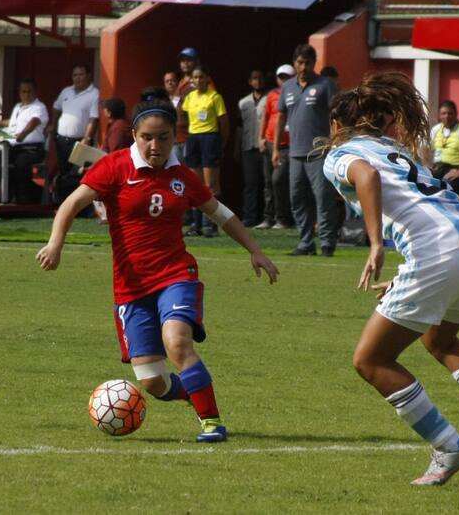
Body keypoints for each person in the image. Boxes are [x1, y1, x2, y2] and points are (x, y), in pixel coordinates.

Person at [324, 72, 459, 486]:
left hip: (437, 253)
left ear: (335, 126)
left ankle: (449, 446)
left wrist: (375, 244)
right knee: (439, 340)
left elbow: (366, 177)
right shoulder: (394, 148)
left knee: (370, 360)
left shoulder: (341, 154)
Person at [35, 98, 279, 443]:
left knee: (177, 343)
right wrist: (55, 244)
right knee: (152, 381)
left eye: (163, 137)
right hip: (131, 288)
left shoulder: (182, 177)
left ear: (173, 138)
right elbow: (71, 204)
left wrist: (256, 251)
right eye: (147, 137)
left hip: (175, 275)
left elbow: (221, 214)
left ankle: (211, 422)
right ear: (134, 134)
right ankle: (196, 392)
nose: (155, 145)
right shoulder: (115, 167)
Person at [274, 44, 339, 257]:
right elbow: (280, 118)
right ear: (294, 63)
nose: (303, 67)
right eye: (299, 63)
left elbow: (336, 114)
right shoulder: (288, 87)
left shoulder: (325, 85)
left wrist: (336, 142)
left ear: (314, 63)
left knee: (322, 198)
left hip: (319, 152)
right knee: (297, 198)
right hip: (295, 153)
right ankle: (305, 243)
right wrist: (275, 148)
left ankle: (327, 244)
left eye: (307, 63)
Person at [181, 64, 229, 237]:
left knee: (211, 185)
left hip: (210, 137)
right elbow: (183, 117)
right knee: (195, 184)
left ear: (207, 79)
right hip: (194, 138)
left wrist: (219, 143)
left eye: (201, 77)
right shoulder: (190, 97)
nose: (198, 80)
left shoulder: (214, 97)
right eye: (195, 77)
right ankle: (196, 223)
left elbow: (224, 123)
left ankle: (213, 224)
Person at [0, 79, 48, 204]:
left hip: (32, 149)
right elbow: (12, 123)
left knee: (21, 163)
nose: (26, 94)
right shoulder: (18, 107)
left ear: (35, 92)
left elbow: (34, 121)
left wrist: (23, 134)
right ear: (19, 93)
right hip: (13, 147)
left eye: (29, 91)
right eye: (23, 91)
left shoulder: (39, 107)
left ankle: (26, 197)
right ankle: (11, 187)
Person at [49, 63, 100, 203]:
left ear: (89, 75)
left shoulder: (94, 94)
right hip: (61, 140)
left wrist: (87, 138)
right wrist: (53, 124)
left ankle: (76, 204)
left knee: (76, 174)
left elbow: (93, 118)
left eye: (81, 75)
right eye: (75, 75)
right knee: (64, 172)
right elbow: (56, 107)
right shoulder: (66, 91)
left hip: (80, 141)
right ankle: (62, 202)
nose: (77, 78)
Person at [256, 64, 294, 230]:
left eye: (286, 77)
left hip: (287, 145)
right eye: (281, 77)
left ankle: (282, 218)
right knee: (268, 182)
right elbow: (265, 117)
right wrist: (261, 138)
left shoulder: (294, 93)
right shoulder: (272, 95)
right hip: (270, 142)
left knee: (278, 180)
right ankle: (268, 218)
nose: (283, 81)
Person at [236, 69, 267, 227]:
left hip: (264, 147)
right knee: (250, 184)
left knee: (267, 184)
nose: (258, 81)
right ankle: (249, 216)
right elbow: (240, 127)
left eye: (260, 78)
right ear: (250, 82)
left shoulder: (270, 99)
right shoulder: (243, 102)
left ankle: (267, 217)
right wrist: (237, 148)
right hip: (248, 147)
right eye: (255, 78)